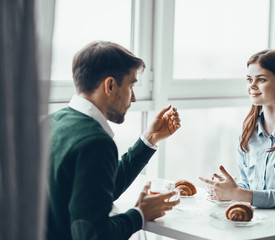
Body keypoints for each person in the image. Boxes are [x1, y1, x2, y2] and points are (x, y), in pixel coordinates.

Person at [46, 41, 181, 240]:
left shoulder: (52, 122)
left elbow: (98, 191)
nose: (133, 98)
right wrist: (139, 215)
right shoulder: (95, 142)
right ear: (110, 85)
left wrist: (150, 139)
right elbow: (93, 236)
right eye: (131, 85)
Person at [200, 49, 275, 213]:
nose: (252, 85)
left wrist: (239, 193)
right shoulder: (248, 132)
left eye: (261, 79)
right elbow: (248, 187)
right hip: (260, 227)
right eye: (249, 79)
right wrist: (229, 189)